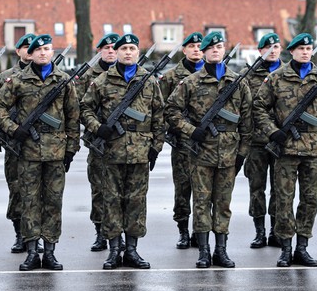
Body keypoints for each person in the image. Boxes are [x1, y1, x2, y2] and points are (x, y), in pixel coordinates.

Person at [0, 34, 80, 271]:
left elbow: (73, 117)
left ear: (52, 52)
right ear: (30, 53)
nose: (43, 53)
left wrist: (71, 149)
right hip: (27, 151)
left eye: (47, 49)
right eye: (38, 49)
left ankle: (50, 251)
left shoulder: (63, 80)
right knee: (29, 201)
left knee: (53, 202)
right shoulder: (17, 80)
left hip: (56, 152)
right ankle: (31, 251)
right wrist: (13, 129)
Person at [165, 31, 252, 268]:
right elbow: (171, 111)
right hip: (200, 153)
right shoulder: (191, 82)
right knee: (201, 203)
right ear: (203, 52)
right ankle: (203, 251)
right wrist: (190, 130)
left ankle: (221, 251)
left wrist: (242, 153)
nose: (216, 50)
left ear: (224, 51)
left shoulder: (238, 82)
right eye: (210, 47)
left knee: (223, 203)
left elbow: (247, 121)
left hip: (229, 154)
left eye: (220, 46)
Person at [80, 33, 164, 269]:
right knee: (112, 201)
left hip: (140, 151)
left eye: (132, 48)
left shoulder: (148, 81)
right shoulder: (103, 81)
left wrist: (155, 147)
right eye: (123, 48)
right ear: (115, 52)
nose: (128, 52)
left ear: (138, 52)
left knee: (136, 202)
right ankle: (114, 250)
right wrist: (99, 128)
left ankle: (132, 250)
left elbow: (159, 116)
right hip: (111, 151)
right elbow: (84, 109)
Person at [253, 33, 317, 268]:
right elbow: (258, 106)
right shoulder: (277, 78)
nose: (306, 52)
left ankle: (302, 247)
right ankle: (286, 248)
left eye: (309, 48)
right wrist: (272, 131)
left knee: (309, 200)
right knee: (284, 200)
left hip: (313, 150)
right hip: (286, 149)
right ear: (292, 51)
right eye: (301, 48)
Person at [158, 32, 205, 249]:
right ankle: (183, 231)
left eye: (199, 46)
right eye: (192, 46)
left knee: (204, 191)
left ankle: (200, 231)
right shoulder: (170, 77)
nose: (196, 49)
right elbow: (161, 110)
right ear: (183, 50)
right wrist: (172, 131)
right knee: (183, 189)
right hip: (182, 142)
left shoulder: (212, 74)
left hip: (206, 143)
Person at [0, 33, 36, 254]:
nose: (30, 51)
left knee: (40, 193)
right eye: (25, 47)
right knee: (17, 190)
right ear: (17, 51)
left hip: (40, 144)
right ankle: (20, 234)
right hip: (14, 144)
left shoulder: (50, 77)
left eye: (33, 47)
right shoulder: (4, 78)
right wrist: (10, 128)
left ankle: (37, 237)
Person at [76, 32, 118, 252]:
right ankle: (101, 232)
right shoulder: (88, 76)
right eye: (107, 47)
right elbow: (79, 109)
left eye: (114, 47)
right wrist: (95, 128)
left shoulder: (131, 75)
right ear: (100, 51)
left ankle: (120, 236)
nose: (111, 51)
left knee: (122, 192)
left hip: (125, 143)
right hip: (98, 143)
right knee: (99, 190)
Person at [245, 32, 283, 249]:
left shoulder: (289, 73)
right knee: (257, 188)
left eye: (277, 46)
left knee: (279, 188)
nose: (273, 50)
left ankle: (275, 230)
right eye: (268, 47)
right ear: (260, 51)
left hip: (280, 140)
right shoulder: (248, 75)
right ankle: (259, 232)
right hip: (256, 142)